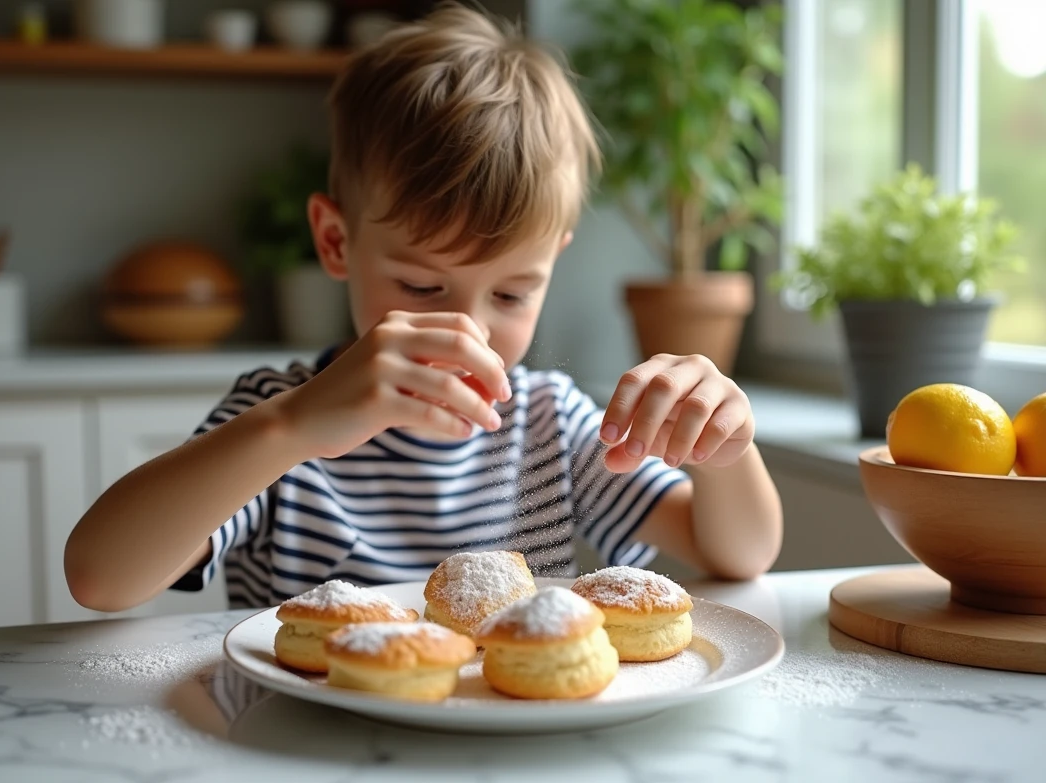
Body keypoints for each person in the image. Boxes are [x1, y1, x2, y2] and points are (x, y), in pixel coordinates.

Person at [63, 3, 783, 614]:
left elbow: (743, 554)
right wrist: (291, 427)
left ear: (553, 263)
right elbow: (99, 576)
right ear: (336, 241)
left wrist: (725, 450)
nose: (468, 329)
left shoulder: (549, 428)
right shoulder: (281, 416)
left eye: (511, 292)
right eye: (420, 286)